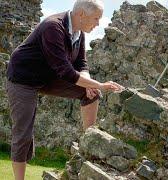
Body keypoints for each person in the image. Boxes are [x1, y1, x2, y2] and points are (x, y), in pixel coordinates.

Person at [6, 0, 124, 179]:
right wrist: (99, 84)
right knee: (23, 134)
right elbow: (65, 71)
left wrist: (91, 85)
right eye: (96, 18)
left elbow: (81, 64)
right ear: (81, 15)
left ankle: (88, 147)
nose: (98, 23)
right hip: (23, 79)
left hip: (48, 77)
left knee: (91, 94)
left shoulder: (79, 33)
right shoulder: (53, 27)